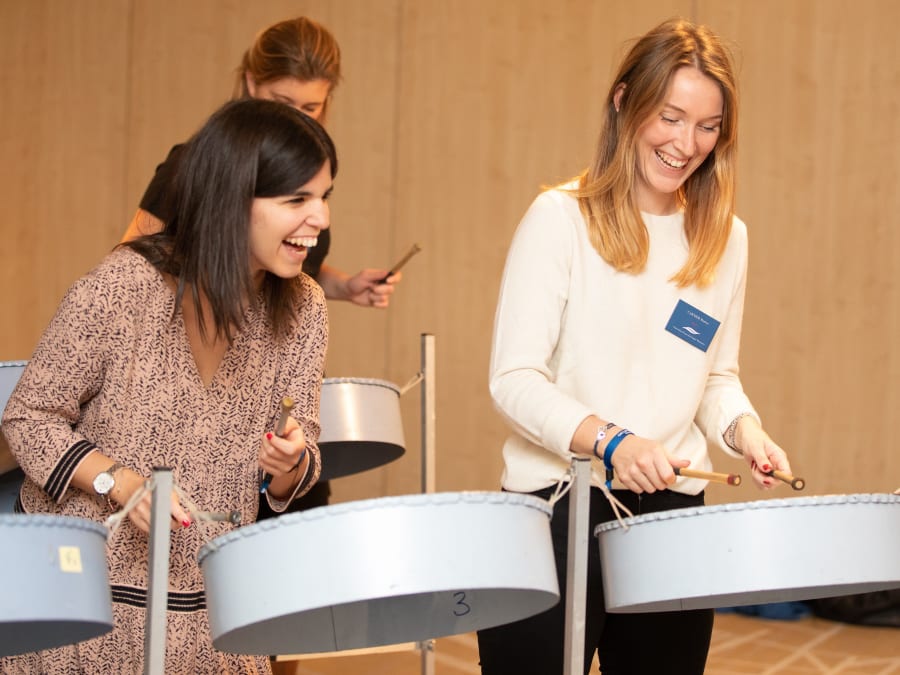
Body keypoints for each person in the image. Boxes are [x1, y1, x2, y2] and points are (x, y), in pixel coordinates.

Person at [477, 18, 794, 675]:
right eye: (671, 117)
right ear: (625, 102)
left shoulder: (725, 237)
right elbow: (514, 379)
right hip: (559, 504)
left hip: (672, 514)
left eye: (708, 126)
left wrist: (747, 429)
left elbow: (714, 376)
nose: (687, 144)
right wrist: (615, 441)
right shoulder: (560, 218)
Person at [1, 98, 333, 674]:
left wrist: (289, 460)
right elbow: (29, 417)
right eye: (296, 199)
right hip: (83, 615)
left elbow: (300, 462)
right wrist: (117, 481)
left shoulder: (305, 307)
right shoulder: (124, 283)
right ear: (234, 197)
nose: (320, 219)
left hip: (214, 627)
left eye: (325, 197)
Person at [122, 16, 402, 515]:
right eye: (282, 103)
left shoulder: (306, 175)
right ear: (251, 84)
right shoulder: (194, 165)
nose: (297, 118)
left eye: (311, 108)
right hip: (204, 399)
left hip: (282, 405)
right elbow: (132, 270)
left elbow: (282, 272)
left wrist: (341, 285)